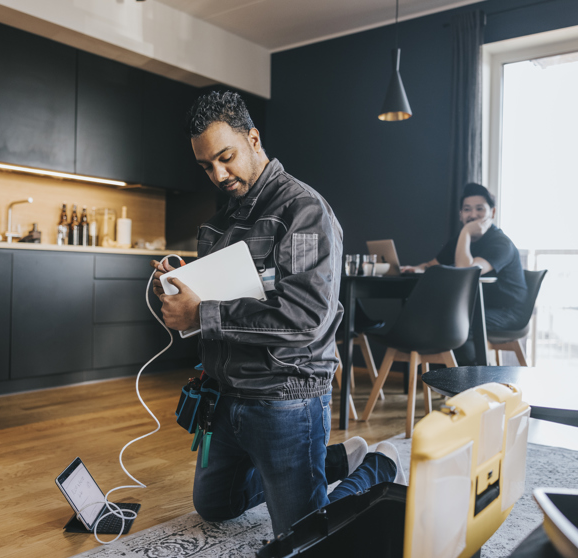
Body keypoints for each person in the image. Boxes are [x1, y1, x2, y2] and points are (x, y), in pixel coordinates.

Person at [150, 91, 405, 538]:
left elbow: (304, 318)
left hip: (285, 396)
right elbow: (228, 299)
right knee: (215, 506)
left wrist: (201, 313)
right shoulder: (222, 220)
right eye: (207, 165)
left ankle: (378, 469)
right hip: (225, 396)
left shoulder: (303, 211)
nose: (218, 174)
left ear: (253, 138)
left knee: (304, 540)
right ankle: (333, 461)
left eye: (225, 157)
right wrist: (186, 289)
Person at [402, 182, 527, 363]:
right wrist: (417, 268)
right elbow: (432, 264)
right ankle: (458, 380)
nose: (473, 215)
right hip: (478, 308)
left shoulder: (501, 243)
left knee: (460, 323)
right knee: (447, 318)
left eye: (479, 209)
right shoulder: (460, 240)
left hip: (509, 312)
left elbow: (465, 271)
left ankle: (477, 380)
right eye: (467, 209)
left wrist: (467, 232)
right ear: (461, 214)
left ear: (492, 213)